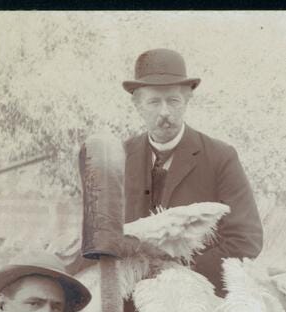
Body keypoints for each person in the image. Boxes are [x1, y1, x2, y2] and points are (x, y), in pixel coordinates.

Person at [69, 48, 263, 295]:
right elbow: (97, 238)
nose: (164, 112)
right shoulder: (118, 158)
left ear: (187, 101)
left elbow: (246, 240)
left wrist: (176, 275)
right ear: (137, 105)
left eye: (173, 101)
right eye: (153, 102)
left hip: (197, 298)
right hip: (126, 298)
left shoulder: (220, 156)